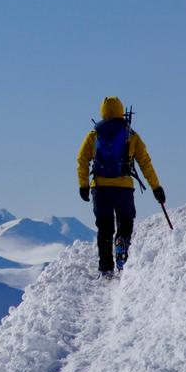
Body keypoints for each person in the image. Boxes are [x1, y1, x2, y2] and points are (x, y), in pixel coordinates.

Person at [76, 96, 165, 278]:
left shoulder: (93, 135)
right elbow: (145, 162)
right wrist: (156, 187)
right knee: (125, 221)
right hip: (124, 187)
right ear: (120, 110)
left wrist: (83, 185)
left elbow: (82, 160)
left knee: (104, 227)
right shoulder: (130, 134)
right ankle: (122, 242)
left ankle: (106, 268)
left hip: (100, 188)